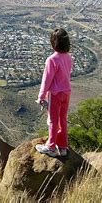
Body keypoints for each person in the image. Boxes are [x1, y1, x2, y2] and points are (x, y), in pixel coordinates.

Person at [35, 28, 72, 157]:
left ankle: (51, 146)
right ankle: (62, 146)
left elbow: (47, 79)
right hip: (66, 93)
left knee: (53, 119)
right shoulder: (68, 57)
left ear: (53, 42)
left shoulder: (52, 60)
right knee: (62, 118)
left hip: (55, 94)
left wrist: (41, 96)